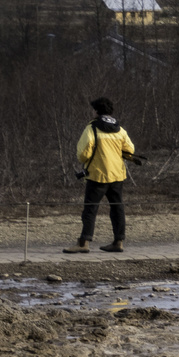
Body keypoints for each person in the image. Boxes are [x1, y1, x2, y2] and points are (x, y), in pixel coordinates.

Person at [65, 97, 143, 254]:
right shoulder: (119, 129)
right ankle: (118, 241)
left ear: (96, 111)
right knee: (117, 208)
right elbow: (130, 150)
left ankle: (84, 243)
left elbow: (83, 154)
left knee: (90, 209)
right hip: (117, 175)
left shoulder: (92, 128)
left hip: (97, 175)